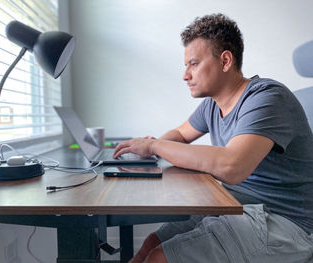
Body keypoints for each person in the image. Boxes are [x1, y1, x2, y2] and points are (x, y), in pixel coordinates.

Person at [113, 13, 313, 263]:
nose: (185, 75)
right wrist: (148, 149)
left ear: (226, 60)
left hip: (286, 224)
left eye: (193, 64)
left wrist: (154, 145)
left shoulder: (268, 98)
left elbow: (232, 166)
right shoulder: (212, 105)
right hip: (238, 206)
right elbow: (180, 135)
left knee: (159, 258)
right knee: (152, 243)